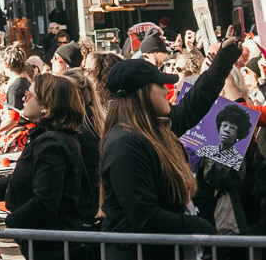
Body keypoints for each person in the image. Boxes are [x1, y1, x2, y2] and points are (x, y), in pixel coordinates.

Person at [99, 36, 243, 242]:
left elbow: (194, 104)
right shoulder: (125, 144)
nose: (167, 89)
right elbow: (144, 216)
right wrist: (199, 226)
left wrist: (223, 61)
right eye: (161, 84)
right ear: (142, 93)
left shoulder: (151, 128)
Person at [0, 74, 92, 258]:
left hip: (52, 246)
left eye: (29, 94)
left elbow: (45, 200)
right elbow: (26, 178)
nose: (23, 98)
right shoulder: (54, 137)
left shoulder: (51, 142)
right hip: (54, 242)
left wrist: (12, 222)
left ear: (47, 106)